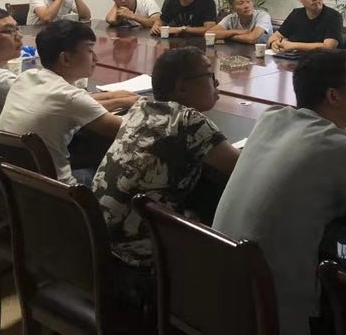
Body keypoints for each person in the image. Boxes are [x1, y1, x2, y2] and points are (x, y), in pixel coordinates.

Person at [212, 50, 346, 335]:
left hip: (218, 293)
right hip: (273, 312)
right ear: (333, 96)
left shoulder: (272, 117)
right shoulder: (342, 149)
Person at [92, 47, 240, 267]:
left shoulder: (141, 107)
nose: (216, 82)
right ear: (182, 87)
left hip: (99, 243)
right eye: (210, 75)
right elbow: (241, 170)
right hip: (139, 257)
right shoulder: (188, 122)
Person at [0, 21, 138, 185]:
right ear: (65, 58)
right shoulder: (69, 97)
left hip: (14, 182)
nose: (96, 58)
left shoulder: (27, 77)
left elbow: (79, 103)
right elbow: (128, 131)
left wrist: (118, 99)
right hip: (59, 192)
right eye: (89, 50)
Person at [267, 0, 343, 52]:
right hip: (295, 58)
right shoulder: (296, 14)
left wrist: (292, 45)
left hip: (321, 58)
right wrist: (274, 43)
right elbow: (274, 37)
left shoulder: (333, 16)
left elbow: (328, 46)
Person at [207, 0, 272, 44]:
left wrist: (227, 36)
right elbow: (208, 33)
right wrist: (235, 31)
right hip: (240, 51)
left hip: (264, 53)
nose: (246, 6)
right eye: (241, 3)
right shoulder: (231, 18)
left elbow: (251, 38)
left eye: (248, 1)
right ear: (233, 8)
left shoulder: (262, 16)